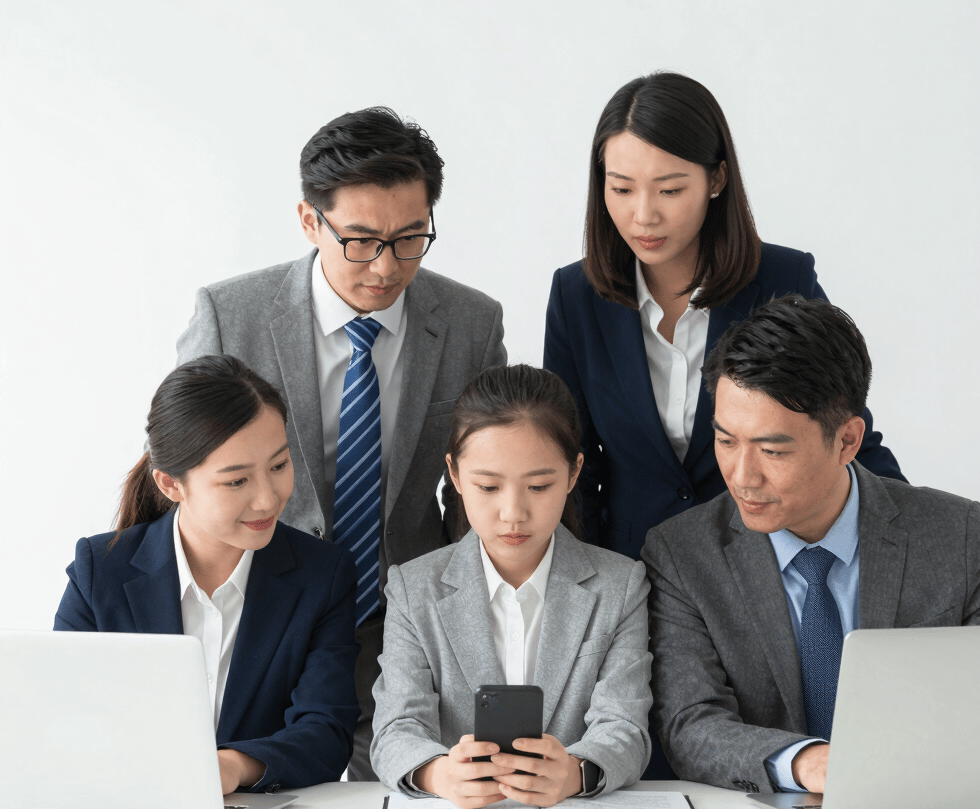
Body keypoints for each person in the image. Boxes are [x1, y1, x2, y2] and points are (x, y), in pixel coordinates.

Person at [176, 107, 506, 778]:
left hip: (405, 624)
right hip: (268, 617)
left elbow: (483, 478)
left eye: (411, 237)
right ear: (309, 221)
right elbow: (190, 463)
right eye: (360, 239)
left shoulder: (471, 322)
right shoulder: (229, 315)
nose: (386, 266)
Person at [642, 295, 980, 795]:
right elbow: (690, 726)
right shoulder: (682, 554)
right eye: (726, 440)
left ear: (847, 440)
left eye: (772, 450)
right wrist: (807, 763)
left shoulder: (953, 534)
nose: (740, 476)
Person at [544, 72, 904, 562]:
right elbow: (573, 465)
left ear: (716, 179)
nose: (643, 215)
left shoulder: (782, 277)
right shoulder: (575, 295)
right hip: (633, 567)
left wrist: (920, 533)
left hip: (761, 568)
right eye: (622, 189)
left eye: (669, 190)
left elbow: (841, 428)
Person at [54, 355, 360, 793]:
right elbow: (63, 717)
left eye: (278, 466)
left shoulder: (322, 574)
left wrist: (232, 767)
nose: (268, 500)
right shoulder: (99, 571)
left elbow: (326, 734)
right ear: (171, 484)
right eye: (236, 481)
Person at [370, 365, 652, 807]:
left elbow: (626, 728)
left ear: (575, 473)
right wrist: (438, 773)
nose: (513, 513)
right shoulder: (413, 588)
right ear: (456, 476)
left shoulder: (621, 585)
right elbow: (394, 730)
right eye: (488, 486)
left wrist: (576, 773)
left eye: (539, 486)